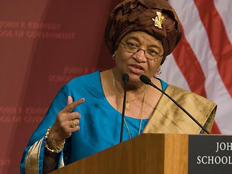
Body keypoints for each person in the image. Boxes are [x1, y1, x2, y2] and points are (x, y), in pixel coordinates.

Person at [20, 0, 217, 173]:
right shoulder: (78, 92)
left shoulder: (183, 109)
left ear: (160, 63)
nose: (140, 57)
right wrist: (54, 139)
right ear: (116, 47)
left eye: (152, 52)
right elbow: (31, 166)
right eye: (132, 45)